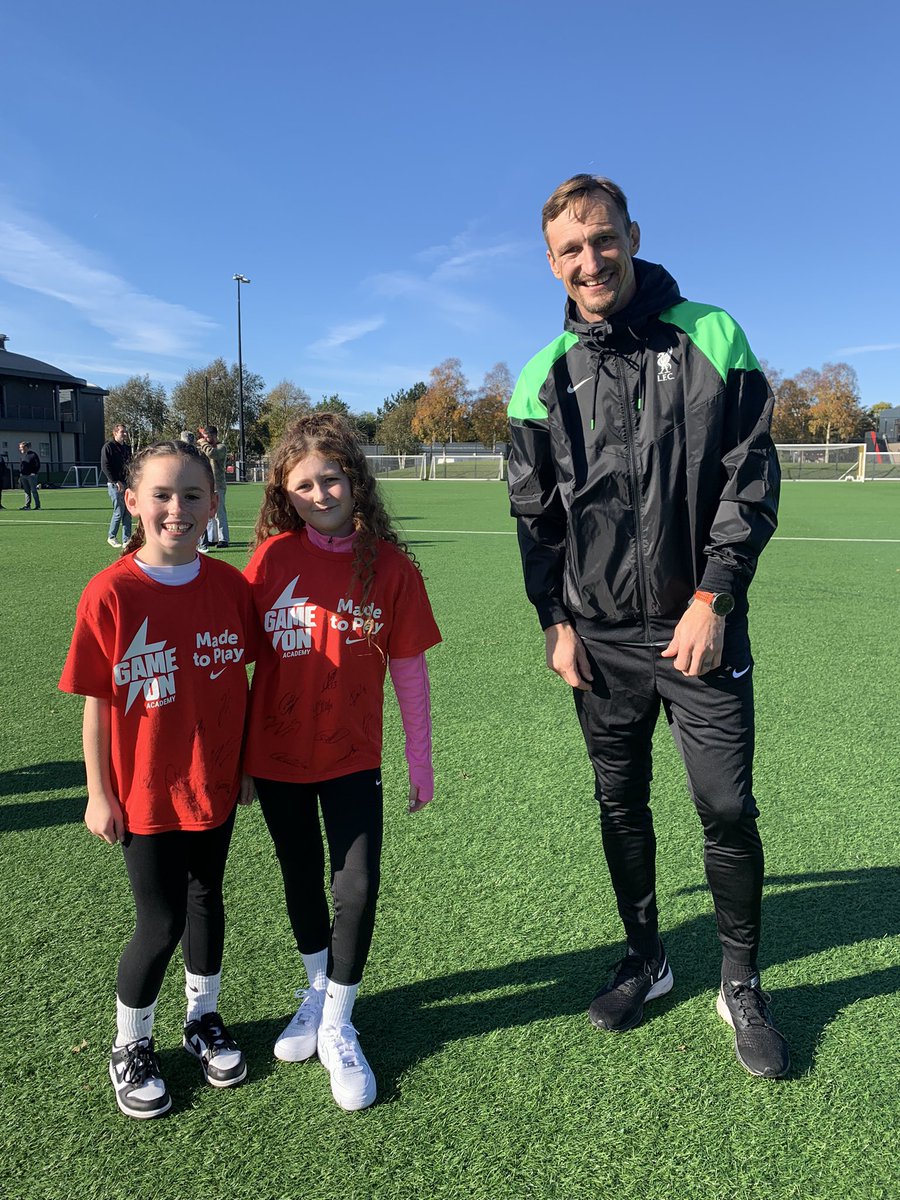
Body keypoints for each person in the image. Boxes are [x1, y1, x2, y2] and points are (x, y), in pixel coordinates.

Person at [507, 174, 788, 1079]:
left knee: (726, 807)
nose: (590, 260)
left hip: (697, 625)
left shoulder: (713, 334)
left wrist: (713, 598)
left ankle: (738, 980)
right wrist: (555, 621)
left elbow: (749, 479)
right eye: (570, 250)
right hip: (599, 640)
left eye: (602, 238)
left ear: (631, 234)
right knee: (618, 805)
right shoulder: (539, 378)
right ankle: (648, 958)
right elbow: (535, 517)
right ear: (551, 263)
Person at [244, 412, 441, 1111]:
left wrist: (420, 761)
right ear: (284, 494)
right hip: (275, 758)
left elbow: (409, 674)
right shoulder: (268, 562)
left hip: (354, 757)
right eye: (305, 485)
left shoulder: (390, 568)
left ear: (356, 481)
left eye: (332, 478)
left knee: (354, 887)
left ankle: (336, 1020)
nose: (321, 494)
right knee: (300, 878)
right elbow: (241, 665)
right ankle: (316, 988)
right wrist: (238, 761)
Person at [58, 440, 259, 1119]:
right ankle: (130, 1044)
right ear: (133, 502)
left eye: (193, 495)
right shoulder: (111, 592)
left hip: (215, 784)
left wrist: (247, 765)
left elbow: (249, 681)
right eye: (163, 495)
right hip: (142, 792)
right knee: (160, 919)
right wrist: (97, 791)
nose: (178, 508)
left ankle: (201, 1018)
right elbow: (97, 704)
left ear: (214, 503)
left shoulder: (231, 588)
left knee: (208, 900)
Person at [100, 423, 133, 549]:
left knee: (127, 512)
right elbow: (105, 466)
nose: (124, 434)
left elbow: (130, 465)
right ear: (115, 433)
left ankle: (127, 539)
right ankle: (111, 536)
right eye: (122, 432)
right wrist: (115, 481)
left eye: (125, 432)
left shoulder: (126, 448)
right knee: (119, 511)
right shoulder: (108, 447)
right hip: (115, 484)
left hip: (127, 483)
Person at [197, 425, 230, 548]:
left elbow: (213, 454)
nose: (206, 440)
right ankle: (212, 538)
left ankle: (224, 539)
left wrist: (202, 443)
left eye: (209, 437)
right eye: (205, 437)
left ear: (215, 436)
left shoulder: (221, 447)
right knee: (209, 513)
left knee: (219, 513)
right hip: (207, 485)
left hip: (218, 485)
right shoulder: (205, 447)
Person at [18, 441, 41, 510]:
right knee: (26, 491)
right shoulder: (23, 455)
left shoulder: (33, 455)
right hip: (23, 476)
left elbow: (37, 465)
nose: (20, 449)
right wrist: (21, 473)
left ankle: (38, 506)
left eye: (21, 447)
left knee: (33, 491)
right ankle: (27, 505)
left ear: (25, 447)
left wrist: (34, 472)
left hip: (31, 476)